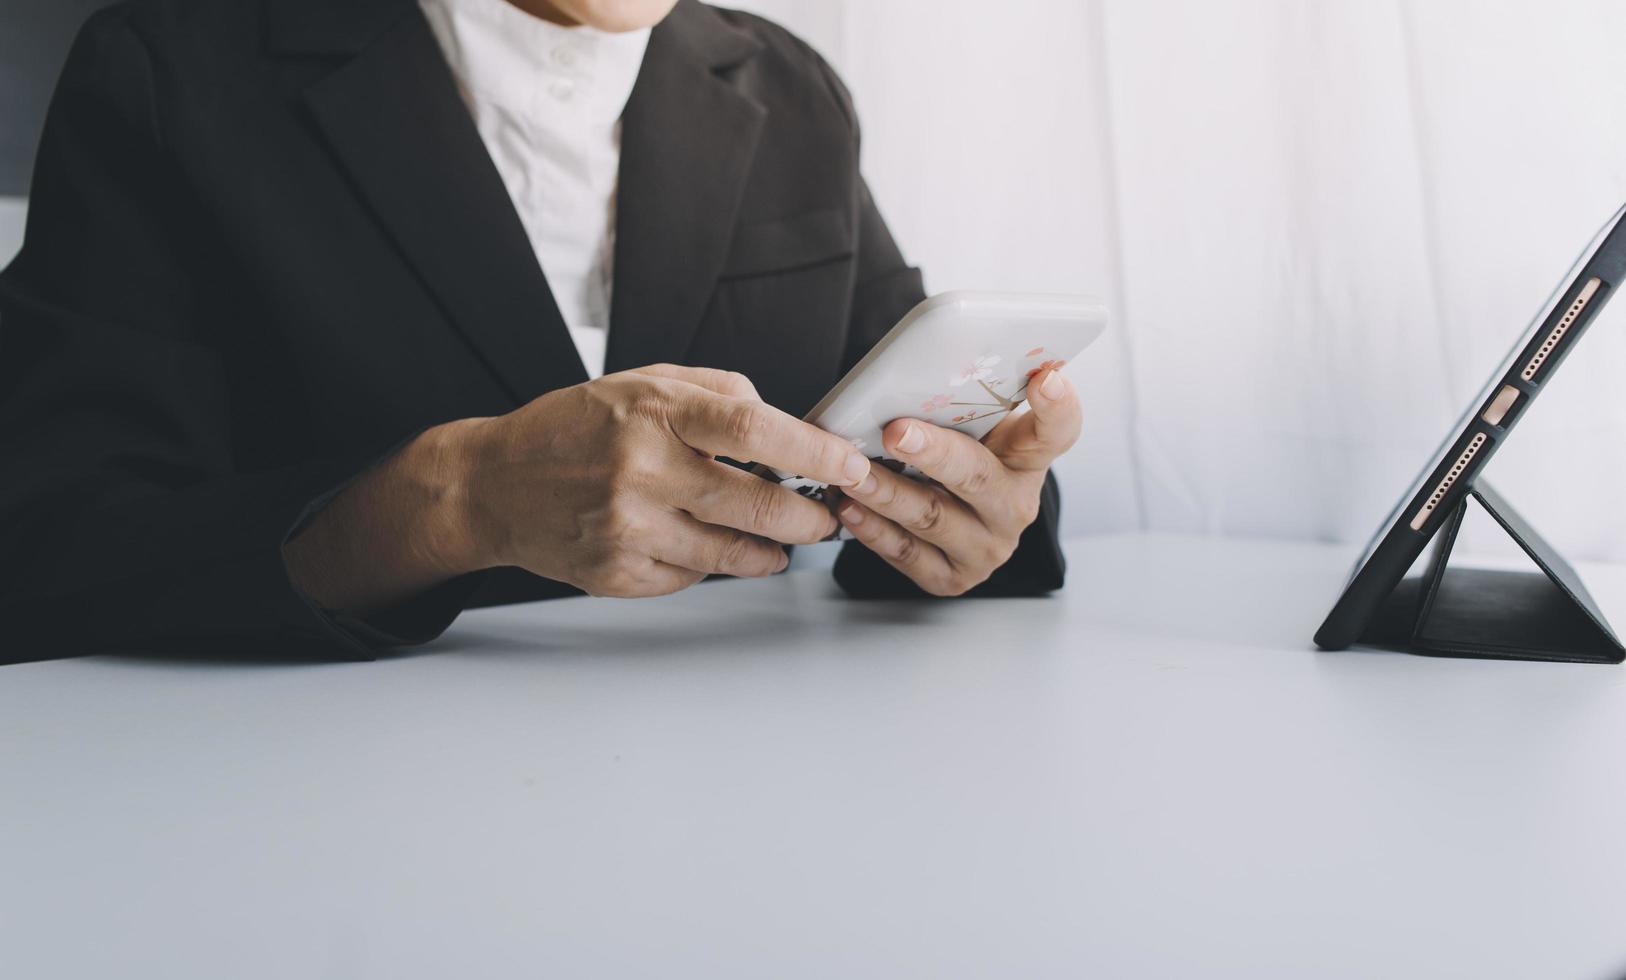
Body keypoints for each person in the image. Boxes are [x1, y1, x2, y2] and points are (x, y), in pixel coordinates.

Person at [0, 0, 1081, 660]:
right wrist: (455, 499)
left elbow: (904, 447)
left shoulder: (791, 90)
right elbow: (50, 552)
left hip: (748, 819)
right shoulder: (167, 72)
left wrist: (976, 517)